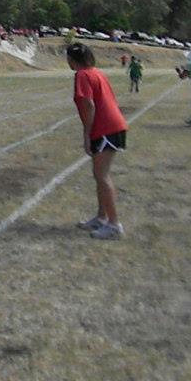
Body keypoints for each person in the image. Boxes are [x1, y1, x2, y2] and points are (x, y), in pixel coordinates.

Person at [67, 43, 128, 240]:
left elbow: (89, 104)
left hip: (105, 129)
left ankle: (114, 224)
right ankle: (102, 217)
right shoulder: (96, 72)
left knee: (102, 176)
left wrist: (87, 133)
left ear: (72, 59)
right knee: (99, 174)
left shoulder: (82, 75)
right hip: (113, 125)